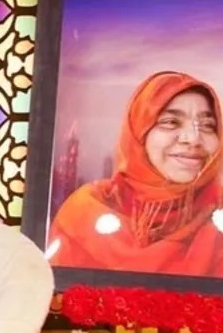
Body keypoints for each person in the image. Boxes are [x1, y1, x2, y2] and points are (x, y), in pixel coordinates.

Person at [47, 71, 223, 276]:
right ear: (138, 131)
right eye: (171, 122)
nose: (193, 138)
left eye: (208, 125)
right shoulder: (86, 213)